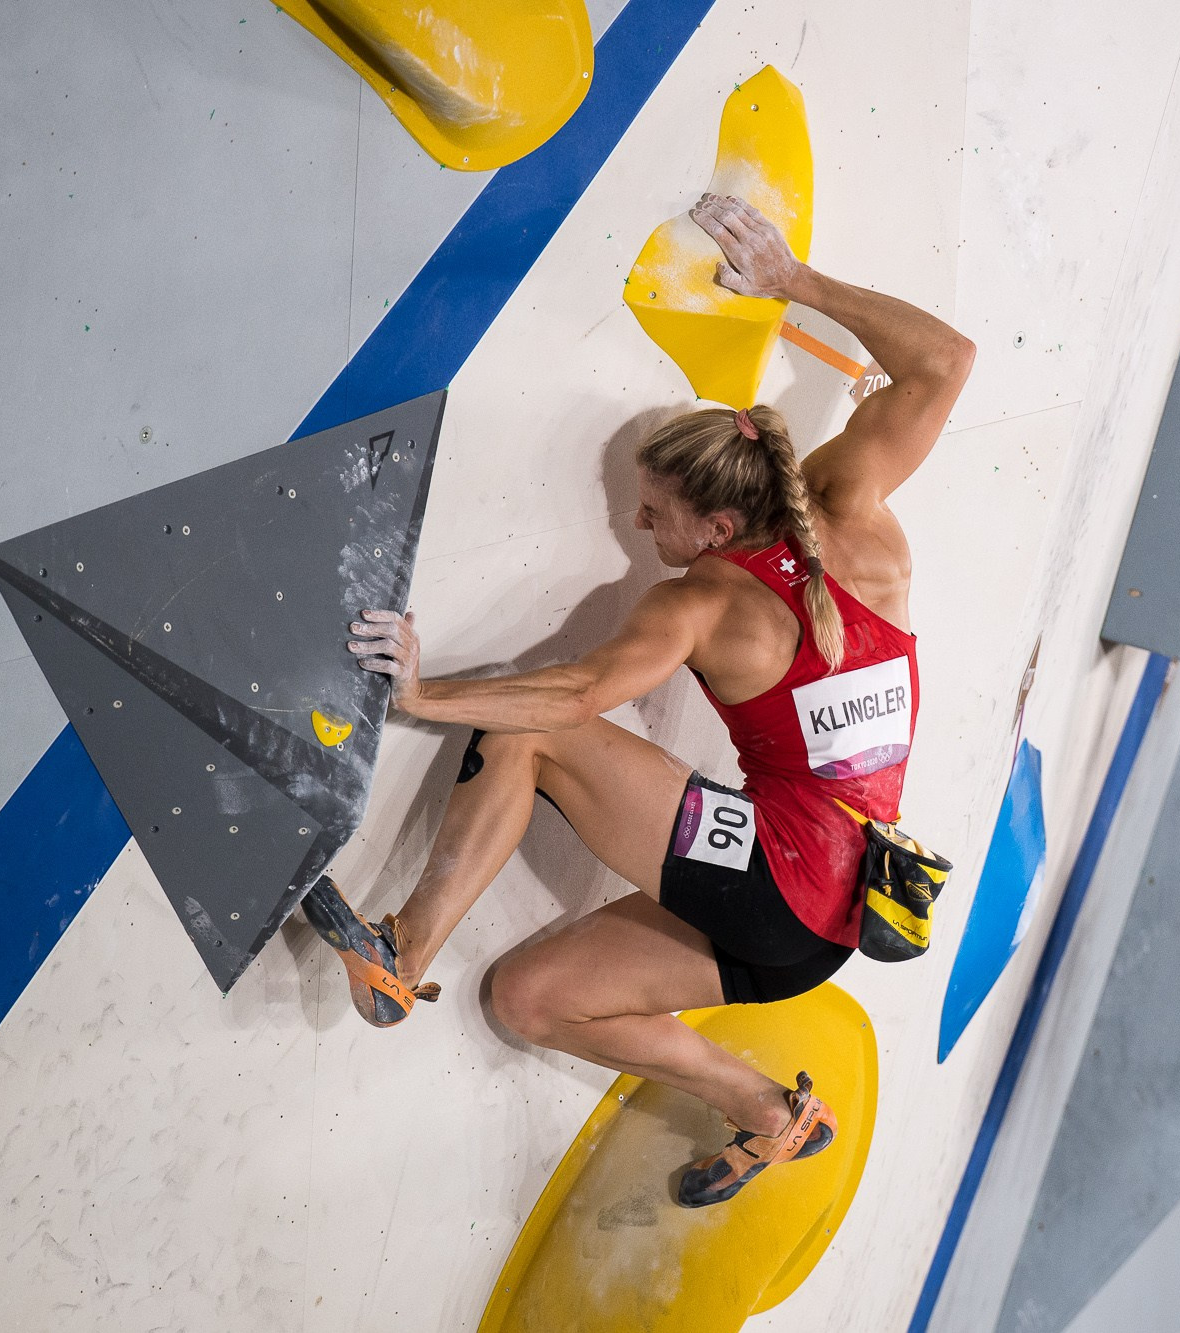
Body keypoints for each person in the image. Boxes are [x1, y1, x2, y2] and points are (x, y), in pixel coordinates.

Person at [300, 192, 975, 1207]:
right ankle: (767, 1110)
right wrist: (797, 283)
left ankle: (402, 951)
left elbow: (575, 692)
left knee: (527, 729)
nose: (635, 522)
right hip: (830, 928)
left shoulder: (703, 598)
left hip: (775, 880)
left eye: (653, 512)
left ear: (714, 525)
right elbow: (945, 362)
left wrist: (425, 688)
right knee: (529, 999)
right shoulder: (857, 518)